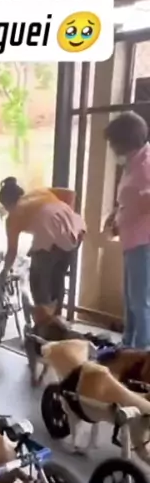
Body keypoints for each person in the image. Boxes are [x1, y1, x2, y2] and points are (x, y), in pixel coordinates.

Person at [0, 177, 85, 313]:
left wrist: (4, 272)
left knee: (38, 282)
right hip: (75, 231)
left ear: (6, 204)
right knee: (57, 278)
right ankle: (55, 316)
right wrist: (63, 219)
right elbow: (70, 194)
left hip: (50, 236)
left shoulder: (13, 216)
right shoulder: (39, 192)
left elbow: (12, 251)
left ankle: (44, 317)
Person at [103, 112, 150, 349]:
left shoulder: (146, 164)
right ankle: (127, 345)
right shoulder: (133, 163)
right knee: (131, 300)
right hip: (132, 241)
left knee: (141, 302)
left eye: (113, 142)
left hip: (144, 242)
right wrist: (117, 215)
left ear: (125, 140)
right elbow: (128, 198)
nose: (112, 147)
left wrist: (133, 208)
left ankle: (141, 353)